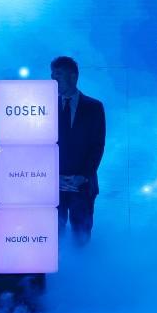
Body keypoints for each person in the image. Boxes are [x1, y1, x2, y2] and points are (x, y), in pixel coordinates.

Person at [51, 56, 106, 245]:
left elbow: (97, 145)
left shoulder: (94, 107)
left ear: (73, 76)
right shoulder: (45, 107)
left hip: (82, 186)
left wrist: (82, 176)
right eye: (52, 75)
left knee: (81, 239)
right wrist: (52, 176)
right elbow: (40, 146)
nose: (54, 79)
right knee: (52, 239)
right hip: (53, 186)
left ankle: (82, 265)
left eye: (58, 74)